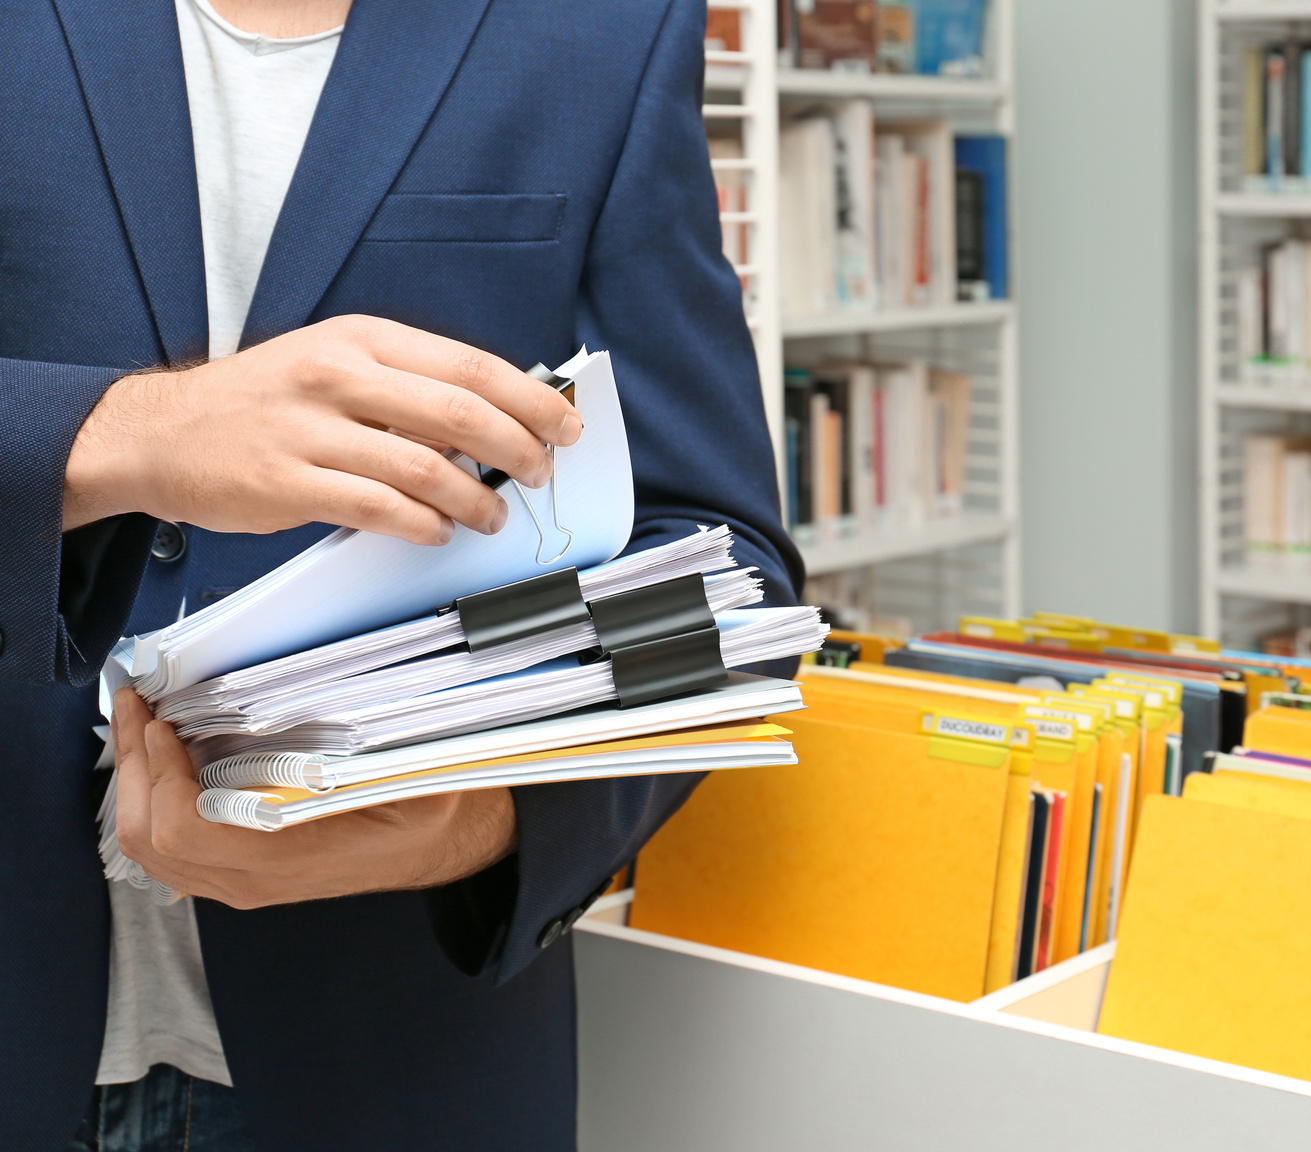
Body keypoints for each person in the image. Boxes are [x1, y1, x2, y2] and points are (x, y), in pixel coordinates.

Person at [2, 0, 798, 1149]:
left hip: (397, 1052)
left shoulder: (602, 32)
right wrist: (126, 434)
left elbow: (720, 577)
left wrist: (489, 822)